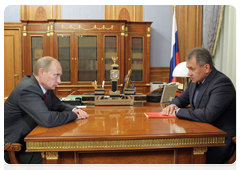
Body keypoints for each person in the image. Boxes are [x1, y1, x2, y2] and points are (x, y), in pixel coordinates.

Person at [4, 56, 89, 170]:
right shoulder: (28, 89)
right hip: (13, 150)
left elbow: (58, 105)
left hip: (28, 141)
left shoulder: (43, 87)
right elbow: (47, 120)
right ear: (42, 72)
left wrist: (74, 109)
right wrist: (74, 116)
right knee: (66, 161)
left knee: (67, 153)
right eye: (56, 75)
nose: (59, 81)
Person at [162, 47, 238, 170]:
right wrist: (173, 105)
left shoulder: (222, 83)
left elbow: (208, 115)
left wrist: (178, 112)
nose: (188, 73)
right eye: (188, 69)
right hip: (201, 135)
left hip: (219, 142)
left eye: (192, 69)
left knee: (184, 160)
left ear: (206, 68)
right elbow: (182, 99)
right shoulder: (195, 81)